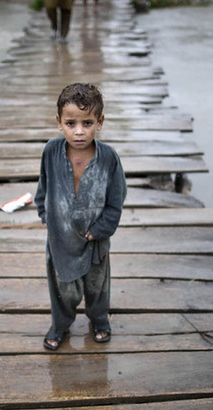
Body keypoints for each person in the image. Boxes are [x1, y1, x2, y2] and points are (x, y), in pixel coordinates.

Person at [35, 83, 127, 351]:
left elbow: (116, 198)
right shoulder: (51, 152)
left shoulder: (108, 158)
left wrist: (102, 229)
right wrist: (46, 215)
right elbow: (43, 186)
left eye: (87, 123)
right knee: (62, 288)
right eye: (70, 123)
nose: (78, 131)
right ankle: (60, 325)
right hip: (61, 239)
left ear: (100, 122)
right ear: (59, 122)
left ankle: (99, 320)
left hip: (95, 240)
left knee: (97, 285)